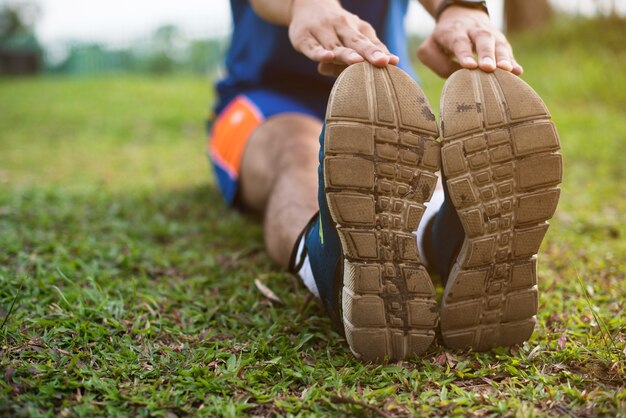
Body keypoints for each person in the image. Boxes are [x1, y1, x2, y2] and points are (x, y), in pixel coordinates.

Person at [208, 0, 562, 362]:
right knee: (294, 151)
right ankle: (328, 264)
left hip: (385, 93)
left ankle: (443, 238)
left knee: (412, 176)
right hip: (267, 97)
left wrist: (459, 8)